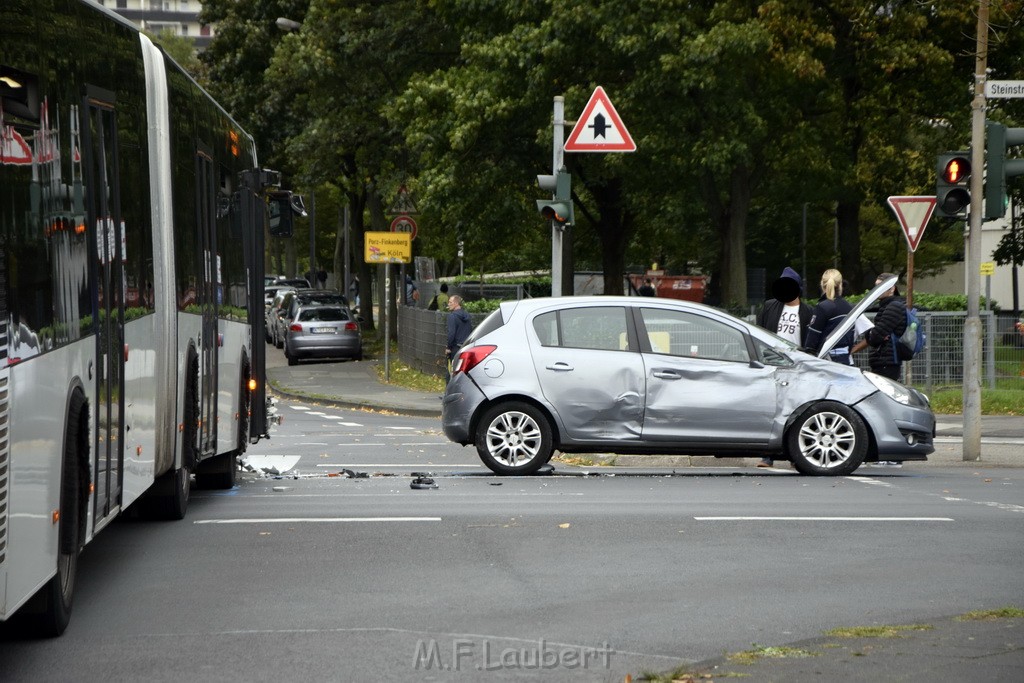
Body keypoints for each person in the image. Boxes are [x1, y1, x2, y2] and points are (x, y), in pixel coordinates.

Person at [755, 266, 813, 467]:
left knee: (797, 409)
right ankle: (767, 455)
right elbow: (759, 332)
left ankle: (796, 455)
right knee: (772, 407)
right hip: (773, 363)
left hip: (797, 364)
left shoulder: (807, 312)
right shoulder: (770, 306)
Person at [862, 272, 908, 468]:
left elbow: (875, 336)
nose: (876, 290)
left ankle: (893, 454)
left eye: (880, 286)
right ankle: (888, 453)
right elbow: (879, 335)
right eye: (875, 286)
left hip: (888, 361)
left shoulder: (893, 307)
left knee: (887, 405)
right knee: (884, 404)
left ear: (891, 288)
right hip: (884, 359)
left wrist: (870, 332)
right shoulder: (888, 307)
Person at [803, 269, 855, 365]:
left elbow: (812, 341)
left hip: (826, 360)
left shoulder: (822, 307)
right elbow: (851, 337)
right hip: (845, 359)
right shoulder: (849, 307)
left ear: (822, 284)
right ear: (840, 285)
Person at [445, 295, 473, 382]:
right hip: (466, 347)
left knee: (451, 372)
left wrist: (448, 347)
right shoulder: (467, 315)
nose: (448, 304)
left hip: (456, 348)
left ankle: (449, 394)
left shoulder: (452, 316)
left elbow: (451, 333)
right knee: (463, 373)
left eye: (450, 302)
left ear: (456, 303)